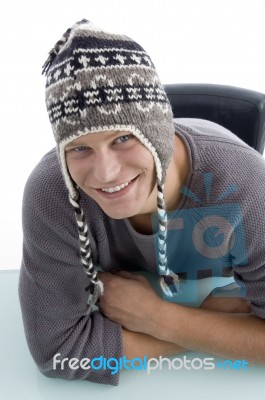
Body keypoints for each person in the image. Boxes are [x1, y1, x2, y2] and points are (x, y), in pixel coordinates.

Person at [19, 19, 265, 386]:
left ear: (159, 135)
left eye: (122, 139)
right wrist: (204, 327)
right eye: (80, 147)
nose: (104, 173)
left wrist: (159, 318)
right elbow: (57, 352)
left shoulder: (244, 181)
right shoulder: (51, 193)